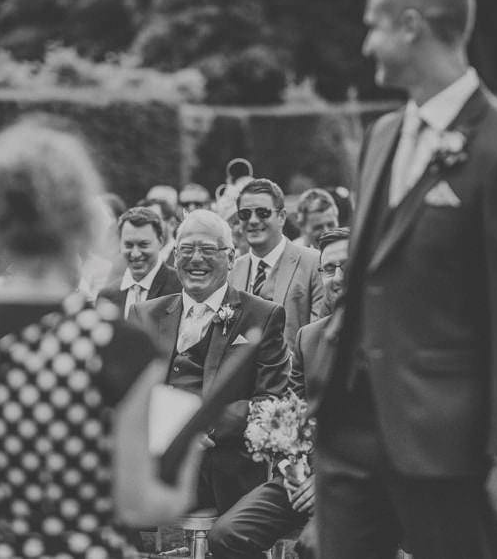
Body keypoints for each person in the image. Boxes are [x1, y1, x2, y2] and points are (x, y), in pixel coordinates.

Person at [315, 0, 497, 558]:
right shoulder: (380, 137)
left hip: (447, 442)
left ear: (412, 25)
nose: (366, 41)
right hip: (349, 431)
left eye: (375, 26)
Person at [0, 117, 204, 558]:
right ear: (83, 219)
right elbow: (140, 503)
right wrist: (188, 449)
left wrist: (3, 470)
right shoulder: (118, 342)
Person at [128, 209, 289, 514]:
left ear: (231, 259)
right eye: (187, 249)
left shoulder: (264, 315)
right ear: (175, 258)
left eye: (208, 249)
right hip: (156, 464)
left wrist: (204, 427)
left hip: (225, 468)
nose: (196, 258)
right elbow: (128, 393)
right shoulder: (144, 314)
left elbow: (271, 400)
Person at [209, 227, 350, 559]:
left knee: (315, 546)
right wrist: (293, 468)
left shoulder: (390, 334)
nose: (337, 278)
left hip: (364, 482)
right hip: (302, 478)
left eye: (347, 266)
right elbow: (288, 418)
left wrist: (328, 482)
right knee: (227, 536)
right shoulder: (308, 337)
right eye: (328, 269)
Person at [229, 179, 324, 348]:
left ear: (281, 217)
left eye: (262, 213)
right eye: (245, 214)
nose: (253, 220)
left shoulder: (313, 263)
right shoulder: (232, 270)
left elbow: (317, 339)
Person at [99, 206, 182, 318]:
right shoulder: (107, 296)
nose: (135, 253)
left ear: (160, 242)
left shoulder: (180, 287)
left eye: (143, 245)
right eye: (128, 245)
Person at [138, 197, 180, 268]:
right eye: (140, 223)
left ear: (171, 224)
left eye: (153, 222)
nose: (145, 228)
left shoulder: (182, 257)